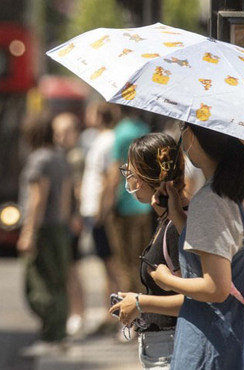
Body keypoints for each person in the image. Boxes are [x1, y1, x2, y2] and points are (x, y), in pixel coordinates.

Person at [117, 123, 244, 369]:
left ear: (191, 137)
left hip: (216, 345)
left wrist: (165, 280)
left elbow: (216, 287)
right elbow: (219, 251)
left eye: (183, 129)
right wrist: (179, 219)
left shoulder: (210, 200)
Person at [112, 132, 187, 369]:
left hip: (171, 351)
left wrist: (140, 303)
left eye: (131, 172)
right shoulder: (169, 219)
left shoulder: (177, 227)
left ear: (145, 177)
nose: (129, 181)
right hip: (162, 348)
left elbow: (197, 299)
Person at [17, 113, 73, 357]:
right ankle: (58, 335)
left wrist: (29, 232)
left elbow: (37, 198)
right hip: (60, 227)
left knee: (39, 285)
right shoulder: (60, 158)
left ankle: (51, 336)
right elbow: (66, 196)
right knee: (59, 282)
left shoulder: (38, 160)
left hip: (44, 229)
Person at [78, 103, 122, 334]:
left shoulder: (108, 140)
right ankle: (111, 313)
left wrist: (102, 209)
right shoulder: (99, 139)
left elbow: (110, 176)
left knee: (112, 263)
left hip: (97, 209)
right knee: (105, 264)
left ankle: (120, 315)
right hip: (90, 207)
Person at [102, 107, 153, 294]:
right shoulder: (144, 128)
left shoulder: (120, 132)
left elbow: (115, 173)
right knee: (142, 259)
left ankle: (130, 310)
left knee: (124, 262)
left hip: (124, 204)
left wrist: (105, 206)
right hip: (144, 204)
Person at [51, 112, 86, 337]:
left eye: (65, 131)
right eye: (57, 132)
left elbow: (78, 188)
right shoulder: (58, 156)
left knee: (72, 269)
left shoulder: (75, 158)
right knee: (64, 269)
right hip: (61, 218)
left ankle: (78, 314)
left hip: (71, 219)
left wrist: (76, 216)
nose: (60, 136)